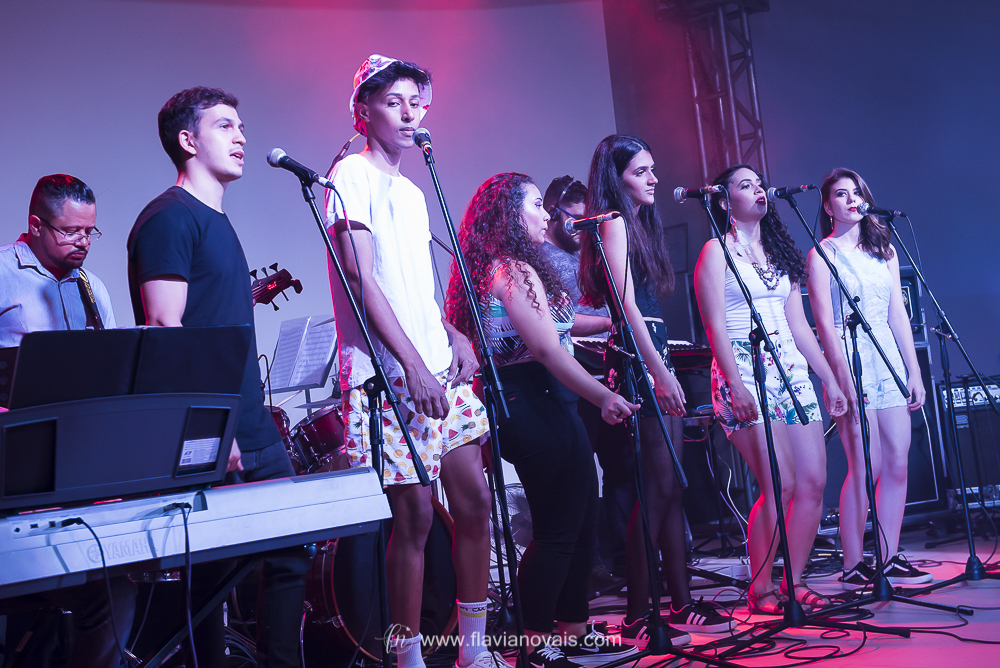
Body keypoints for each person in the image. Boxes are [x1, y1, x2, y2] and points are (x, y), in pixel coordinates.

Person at [325, 55, 504, 668]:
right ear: (364, 110)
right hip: (390, 375)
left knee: (475, 502)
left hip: (436, 365)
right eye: (394, 101)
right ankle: (408, 658)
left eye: (417, 103)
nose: (410, 114)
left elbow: (416, 289)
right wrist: (412, 366)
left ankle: (473, 650)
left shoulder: (411, 189)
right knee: (416, 517)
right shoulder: (349, 176)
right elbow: (362, 279)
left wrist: (453, 335)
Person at [127, 86, 311, 668]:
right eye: (225, 126)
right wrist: (211, 427)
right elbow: (165, 327)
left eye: (241, 126)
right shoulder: (169, 218)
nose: (242, 137)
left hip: (252, 423)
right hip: (212, 428)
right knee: (209, 576)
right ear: (188, 140)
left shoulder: (217, 222)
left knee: (290, 552)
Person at [446, 172, 639, 668]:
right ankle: (534, 643)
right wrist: (603, 396)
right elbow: (548, 349)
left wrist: (612, 321)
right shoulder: (511, 269)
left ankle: (573, 631)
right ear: (510, 215)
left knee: (583, 515)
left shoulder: (510, 268)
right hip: (531, 398)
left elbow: (557, 324)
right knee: (558, 526)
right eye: (536, 204)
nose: (547, 214)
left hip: (541, 397)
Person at [578, 135, 735, 639]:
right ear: (616, 177)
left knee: (669, 485)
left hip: (652, 352)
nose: (653, 179)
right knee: (657, 486)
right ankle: (637, 616)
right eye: (641, 171)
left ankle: (679, 604)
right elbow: (625, 306)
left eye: (652, 168)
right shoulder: (613, 222)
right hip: (639, 359)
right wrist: (658, 370)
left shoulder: (634, 223)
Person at [693, 164, 848, 614]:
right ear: (724, 200)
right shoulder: (715, 251)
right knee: (780, 481)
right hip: (743, 368)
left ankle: (794, 583)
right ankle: (760, 588)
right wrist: (735, 383)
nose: (759, 190)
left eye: (760, 184)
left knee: (814, 482)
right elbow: (714, 326)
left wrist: (828, 377)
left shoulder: (779, 251)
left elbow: (798, 325)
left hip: (790, 368)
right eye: (746, 186)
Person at [0, 174, 134, 668]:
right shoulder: (2, 274)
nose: (83, 242)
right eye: (70, 231)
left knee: (115, 586)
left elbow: (112, 370)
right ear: (36, 225)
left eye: (89, 232)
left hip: (78, 474)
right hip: (14, 474)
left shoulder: (92, 288)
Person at [807, 168, 930, 587]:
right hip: (849, 355)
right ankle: (853, 562)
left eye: (856, 192)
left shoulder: (885, 250)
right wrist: (840, 378)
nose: (852, 199)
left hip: (886, 355)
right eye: (841, 194)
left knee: (897, 460)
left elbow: (898, 314)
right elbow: (825, 324)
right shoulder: (822, 254)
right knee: (865, 463)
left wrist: (913, 370)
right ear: (828, 207)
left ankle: (890, 556)